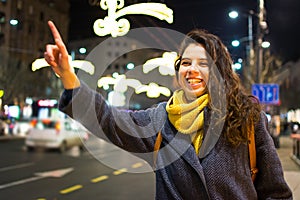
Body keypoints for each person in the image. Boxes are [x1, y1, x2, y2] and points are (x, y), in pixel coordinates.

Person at [44, 20, 292, 199]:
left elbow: (276, 192)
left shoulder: (247, 117)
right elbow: (109, 120)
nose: (192, 69)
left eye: (203, 63)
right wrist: (68, 75)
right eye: (185, 63)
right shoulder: (160, 118)